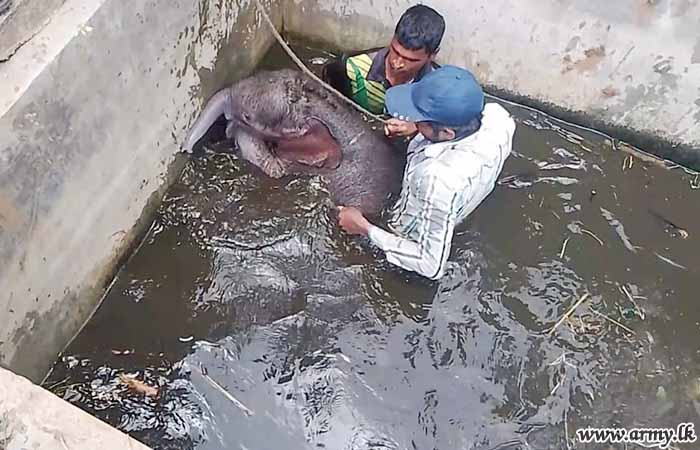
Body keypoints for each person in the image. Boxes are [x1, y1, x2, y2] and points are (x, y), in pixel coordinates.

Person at [337, 66, 516, 280]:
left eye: (421, 121)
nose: (416, 122)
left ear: (447, 133)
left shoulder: (437, 179)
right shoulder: (498, 117)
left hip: (411, 233)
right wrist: (416, 125)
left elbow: (431, 265)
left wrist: (365, 228)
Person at [322, 4, 445, 138]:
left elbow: (446, 131)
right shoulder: (352, 67)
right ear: (393, 38)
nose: (397, 63)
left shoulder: (439, 89)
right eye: (395, 51)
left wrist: (417, 128)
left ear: (433, 55)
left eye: (411, 60)